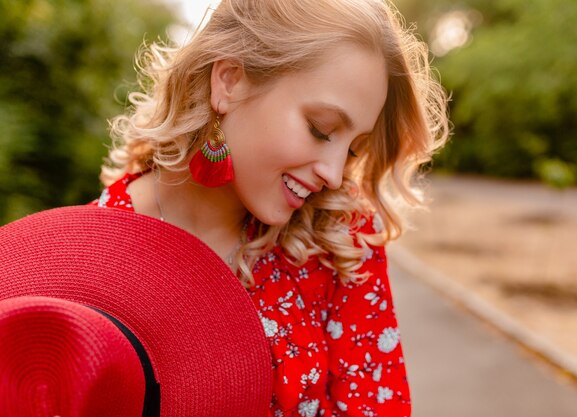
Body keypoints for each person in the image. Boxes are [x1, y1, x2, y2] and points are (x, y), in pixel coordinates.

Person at [92, 0, 449, 415]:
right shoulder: (90, 252)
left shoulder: (341, 241)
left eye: (353, 149)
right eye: (321, 129)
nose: (334, 175)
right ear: (229, 81)